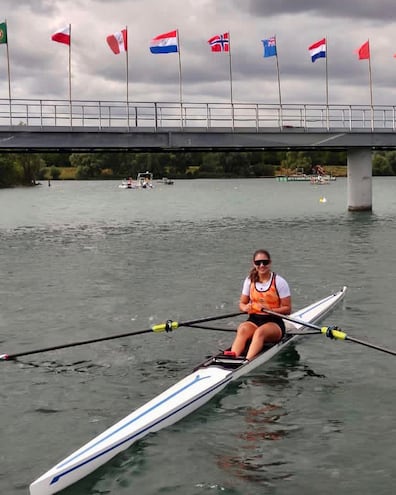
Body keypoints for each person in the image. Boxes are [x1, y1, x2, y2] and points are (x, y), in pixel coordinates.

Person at [228, 249, 292, 361]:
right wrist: (245, 307)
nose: (261, 265)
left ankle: (246, 362)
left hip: (274, 322)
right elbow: (242, 303)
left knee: (260, 332)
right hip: (254, 320)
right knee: (242, 329)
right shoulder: (249, 280)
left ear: (270, 263)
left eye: (265, 262)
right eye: (258, 263)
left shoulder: (279, 282)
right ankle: (233, 357)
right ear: (254, 264)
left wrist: (270, 309)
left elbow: (287, 309)